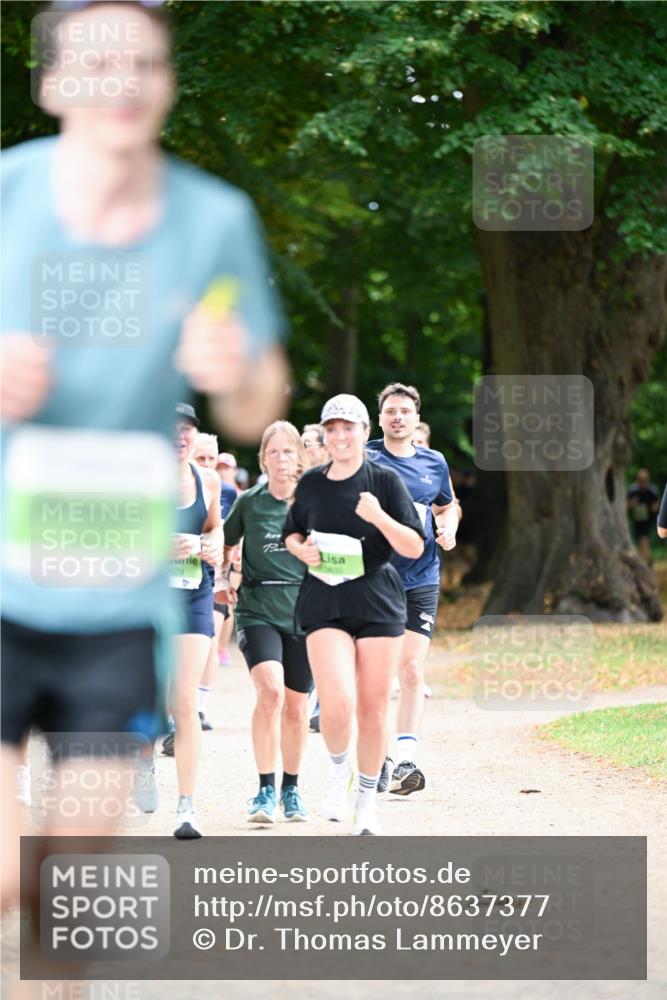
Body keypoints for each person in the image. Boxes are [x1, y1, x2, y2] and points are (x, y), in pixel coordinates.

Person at [2, 0, 287, 905]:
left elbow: (260, 398)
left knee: (68, 888)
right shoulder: (7, 194)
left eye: (143, 63)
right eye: (96, 62)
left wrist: (234, 369)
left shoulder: (212, 219)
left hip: (119, 604)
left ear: (166, 83)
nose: (121, 82)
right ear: (51, 83)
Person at [283, 394, 425, 835]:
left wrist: (380, 517)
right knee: (337, 703)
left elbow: (414, 546)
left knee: (373, 707)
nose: (340, 436)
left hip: (376, 600)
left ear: (365, 432)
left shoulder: (384, 481)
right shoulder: (311, 484)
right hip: (324, 599)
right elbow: (292, 533)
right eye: (332, 428)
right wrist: (301, 550)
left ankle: (366, 800)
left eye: (349, 427)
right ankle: (338, 771)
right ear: (324, 435)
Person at [367, 383, 460, 796]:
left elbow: (446, 505)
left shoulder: (433, 462)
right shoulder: (365, 458)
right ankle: (376, 756)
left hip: (422, 576)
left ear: (417, 418)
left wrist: (449, 528)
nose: (398, 417)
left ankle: (405, 760)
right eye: (391, 411)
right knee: (377, 673)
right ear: (380, 418)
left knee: (411, 670)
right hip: (375, 577)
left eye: (405, 411)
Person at [220, 422, 311, 824]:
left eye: (288, 451)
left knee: (296, 706)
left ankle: (291, 789)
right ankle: (264, 789)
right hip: (257, 608)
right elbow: (224, 543)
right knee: (271, 693)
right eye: (273, 452)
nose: (281, 458)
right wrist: (224, 579)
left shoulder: (313, 502)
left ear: (299, 458)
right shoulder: (249, 503)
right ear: (263, 460)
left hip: (305, 611)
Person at [168, 404, 222, 838]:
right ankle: (142, 760)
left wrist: (213, 545)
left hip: (193, 592)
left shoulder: (209, 480)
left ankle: (186, 805)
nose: (180, 435)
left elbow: (214, 527)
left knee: (184, 697)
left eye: (187, 429)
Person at [193, 431, 237, 728]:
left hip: (215, 577)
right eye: (201, 458)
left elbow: (233, 534)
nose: (207, 464)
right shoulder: (177, 486)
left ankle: (200, 707)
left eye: (211, 458)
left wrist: (229, 572)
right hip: (181, 577)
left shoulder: (227, 492)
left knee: (210, 641)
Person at [627, 468, 661, 563]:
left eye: (644, 480)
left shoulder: (653, 490)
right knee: (642, 539)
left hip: (649, 518)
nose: (643, 482)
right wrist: (632, 503)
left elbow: (659, 503)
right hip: (637, 518)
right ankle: (646, 559)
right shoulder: (632, 490)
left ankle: (647, 560)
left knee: (643, 538)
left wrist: (655, 507)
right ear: (637, 480)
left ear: (648, 479)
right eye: (641, 480)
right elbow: (625, 504)